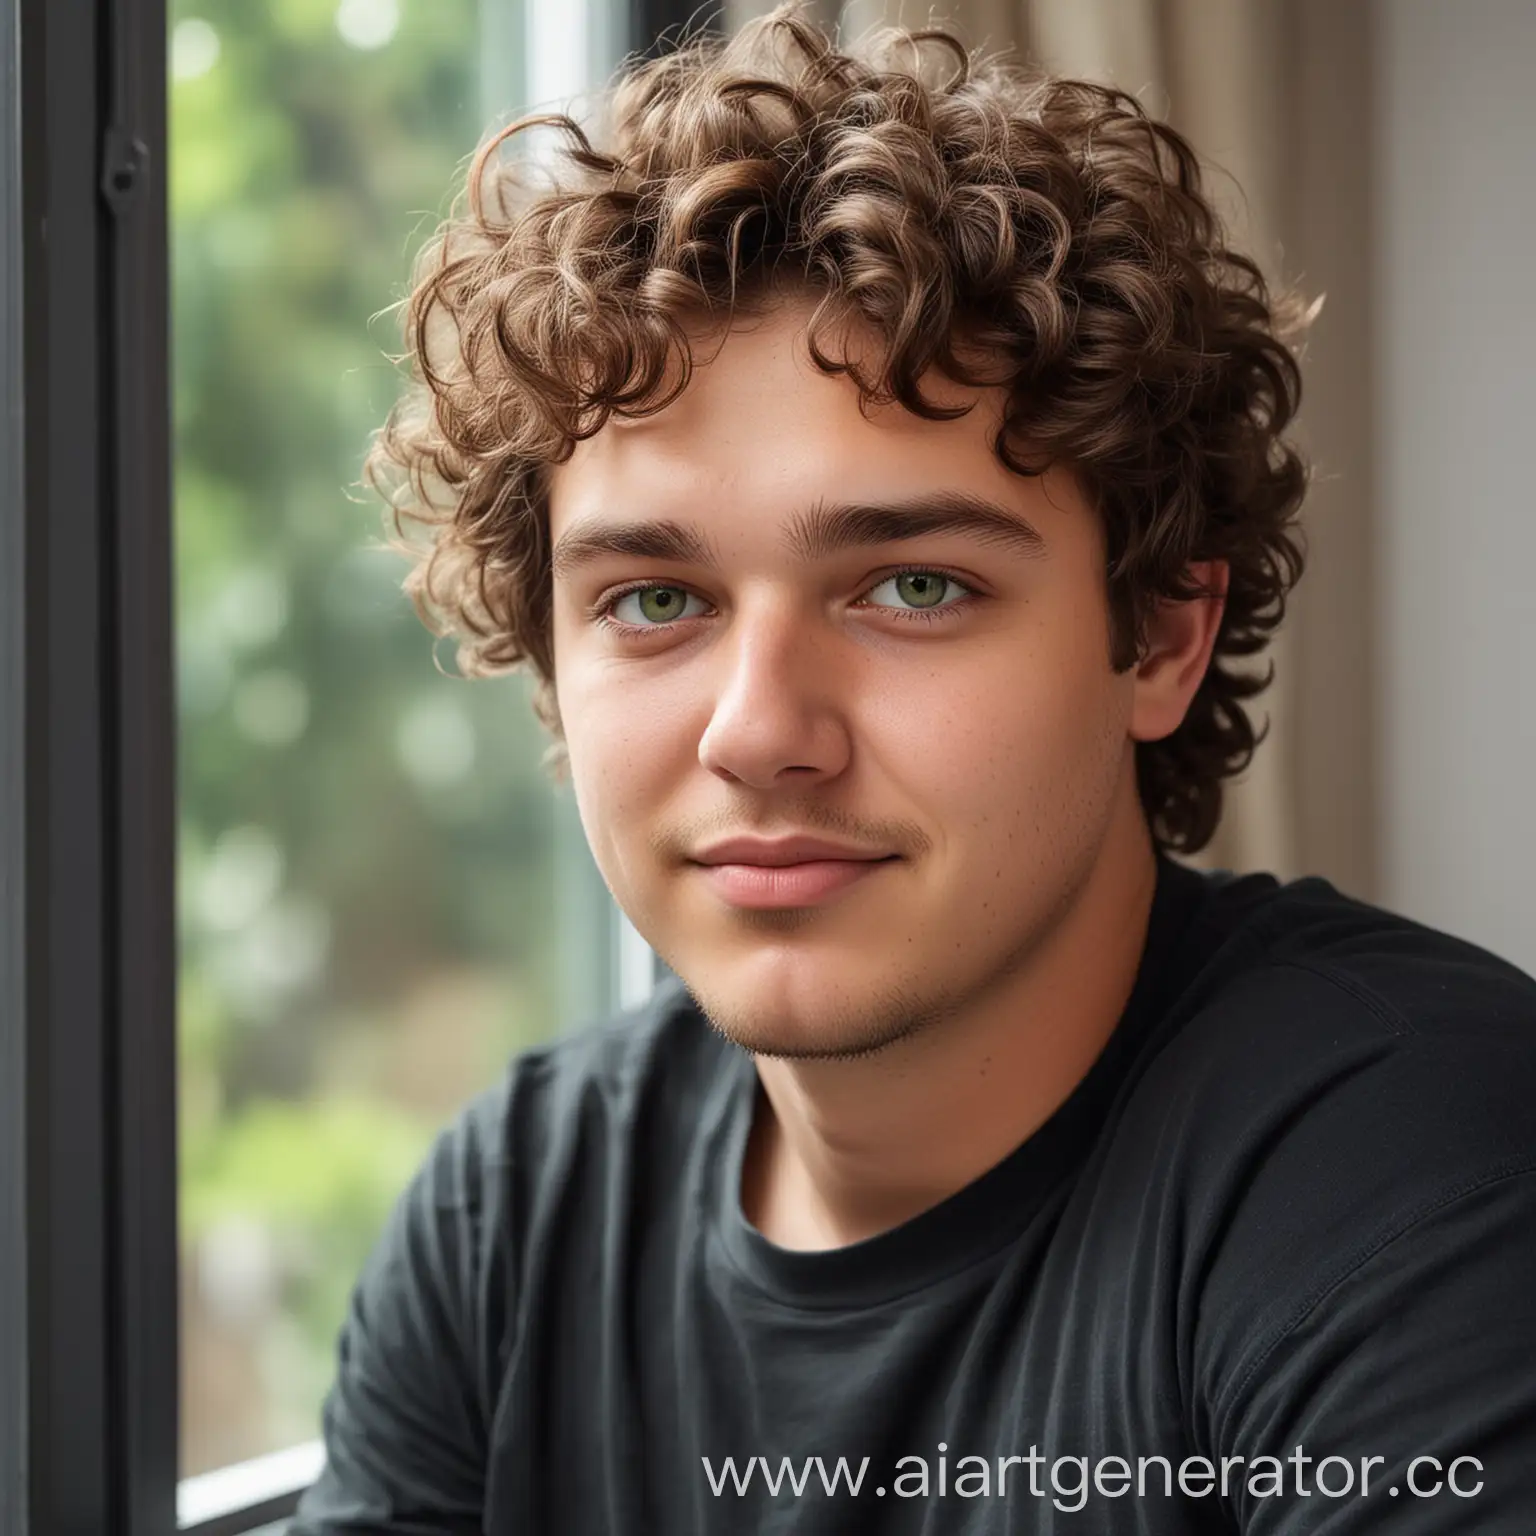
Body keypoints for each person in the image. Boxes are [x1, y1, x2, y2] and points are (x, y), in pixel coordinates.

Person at [289, 5, 1536, 1531]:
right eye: (656, 601)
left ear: (1155, 637)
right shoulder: (509, 1228)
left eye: (914, 587)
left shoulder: (1422, 1165)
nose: (758, 730)